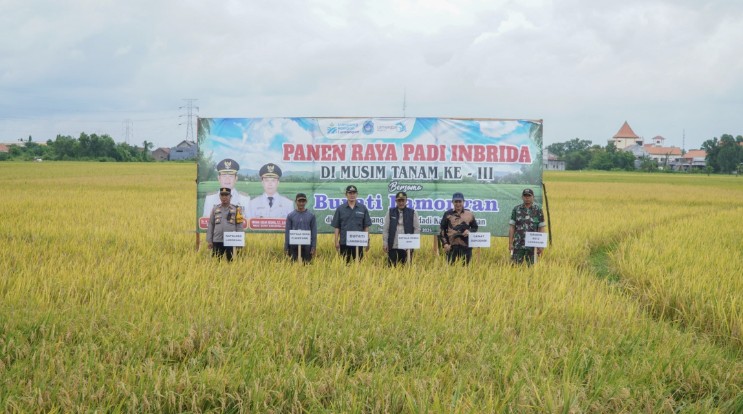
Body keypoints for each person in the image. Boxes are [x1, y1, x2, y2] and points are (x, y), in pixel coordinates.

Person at [331, 185, 372, 263]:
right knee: (344, 265)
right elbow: (337, 227)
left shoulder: (363, 208)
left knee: (358, 266)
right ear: (346, 194)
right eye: (350, 193)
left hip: (358, 242)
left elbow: (366, 226)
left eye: (354, 193)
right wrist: (336, 241)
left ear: (357, 194)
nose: (352, 195)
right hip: (344, 242)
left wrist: (367, 241)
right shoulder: (340, 209)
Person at [508, 188, 547, 265]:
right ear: (522, 197)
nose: (527, 198)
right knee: (515, 266)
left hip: (533, 245)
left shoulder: (538, 210)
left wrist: (541, 246)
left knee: (532, 267)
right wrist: (510, 243)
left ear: (533, 197)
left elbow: (541, 228)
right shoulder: (516, 209)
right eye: (525, 196)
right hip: (518, 244)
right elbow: (512, 227)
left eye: (529, 196)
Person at [439, 192, 478, 265]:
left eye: (460, 201)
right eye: (456, 202)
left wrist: (469, 231)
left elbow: (475, 227)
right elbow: (442, 230)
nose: (458, 204)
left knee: (466, 268)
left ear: (463, 202)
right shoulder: (447, 214)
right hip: (451, 246)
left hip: (466, 246)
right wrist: (445, 244)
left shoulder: (469, 214)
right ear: (452, 202)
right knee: (450, 268)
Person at [382, 191, 420, 266]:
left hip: (406, 246)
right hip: (393, 245)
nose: (401, 203)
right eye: (399, 201)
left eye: (403, 200)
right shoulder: (390, 212)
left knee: (406, 268)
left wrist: (412, 244)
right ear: (396, 201)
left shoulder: (412, 212)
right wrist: (385, 243)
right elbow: (386, 229)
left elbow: (417, 229)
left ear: (406, 201)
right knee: (391, 268)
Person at [206, 187, 245, 261]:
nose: (224, 197)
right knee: (216, 262)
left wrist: (239, 242)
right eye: (222, 195)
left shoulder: (236, 209)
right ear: (219, 196)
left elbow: (239, 226)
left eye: (226, 195)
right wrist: (210, 240)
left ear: (230, 196)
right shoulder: (215, 209)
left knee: (230, 262)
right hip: (217, 240)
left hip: (231, 241)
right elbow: (211, 224)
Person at [284, 193, 317, 263]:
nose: (301, 203)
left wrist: (313, 246)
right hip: (293, 246)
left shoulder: (311, 215)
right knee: (293, 266)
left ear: (306, 202)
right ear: (296, 201)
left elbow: (314, 232)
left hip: (307, 246)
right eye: (299, 201)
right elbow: (287, 232)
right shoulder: (290, 215)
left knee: (307, 265)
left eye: (303, 201)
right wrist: (286, 247)